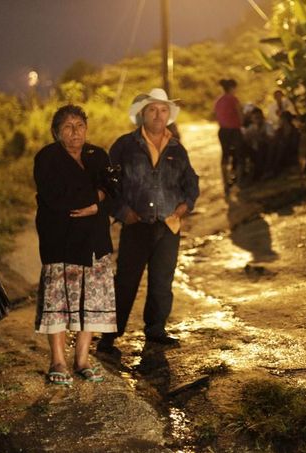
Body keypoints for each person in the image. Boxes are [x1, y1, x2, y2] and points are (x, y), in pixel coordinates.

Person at [97, 88, 199, 351]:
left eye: (163, 110)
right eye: (152, 110)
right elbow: (107, 185)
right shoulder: (124, 146)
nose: (158, 115)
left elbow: (192, 182)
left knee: (162, 281)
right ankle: (109, 335)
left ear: (168, 114)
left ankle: (155, 330)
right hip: (136, 225)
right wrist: (122, 212)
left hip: (168, 226)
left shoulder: (177, 148)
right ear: (142, 114)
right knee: (126, 281)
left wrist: (185, 206)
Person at [33, 104, 117, 384]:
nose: (75, 132)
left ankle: (82, 359)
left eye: (79, 125)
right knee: (58, 302)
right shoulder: (47, 157)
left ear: (86, 128)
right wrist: (97, 197)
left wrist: (98, 205)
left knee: (91, 301)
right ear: (56, 132)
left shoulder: (97, 155)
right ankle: (58, 360)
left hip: (94, 241)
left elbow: (117, 191)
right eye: (67, 127)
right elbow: (58, 196)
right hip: (61, 241)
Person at [214, 79, 244, 193]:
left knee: (225, 156)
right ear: (232, 88)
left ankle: (225, 183)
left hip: (223, 130)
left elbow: (218, 116)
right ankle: (239, 183)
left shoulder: (218, 101)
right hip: (234, 130)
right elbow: (241, 116)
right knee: (239, 155)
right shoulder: (234, 99)